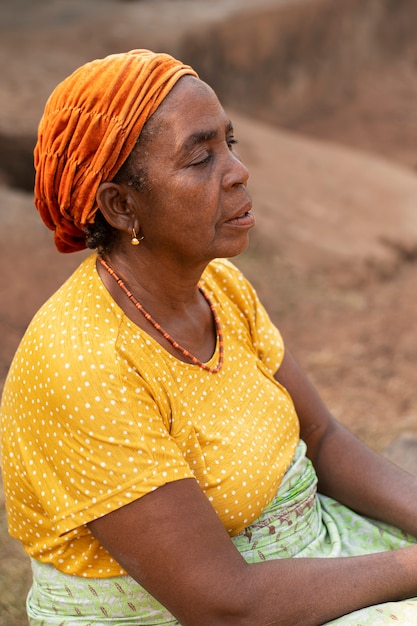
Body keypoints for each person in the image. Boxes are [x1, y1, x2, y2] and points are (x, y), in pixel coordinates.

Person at [0, 49, 417, 626]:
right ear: (121, 207)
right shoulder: (85, 363)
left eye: (230, 143)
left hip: (310, 561)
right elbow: (224, 604)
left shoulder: (217, 284)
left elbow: (320, 437)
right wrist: (406, 569)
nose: (238, 171)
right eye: (200, 158)